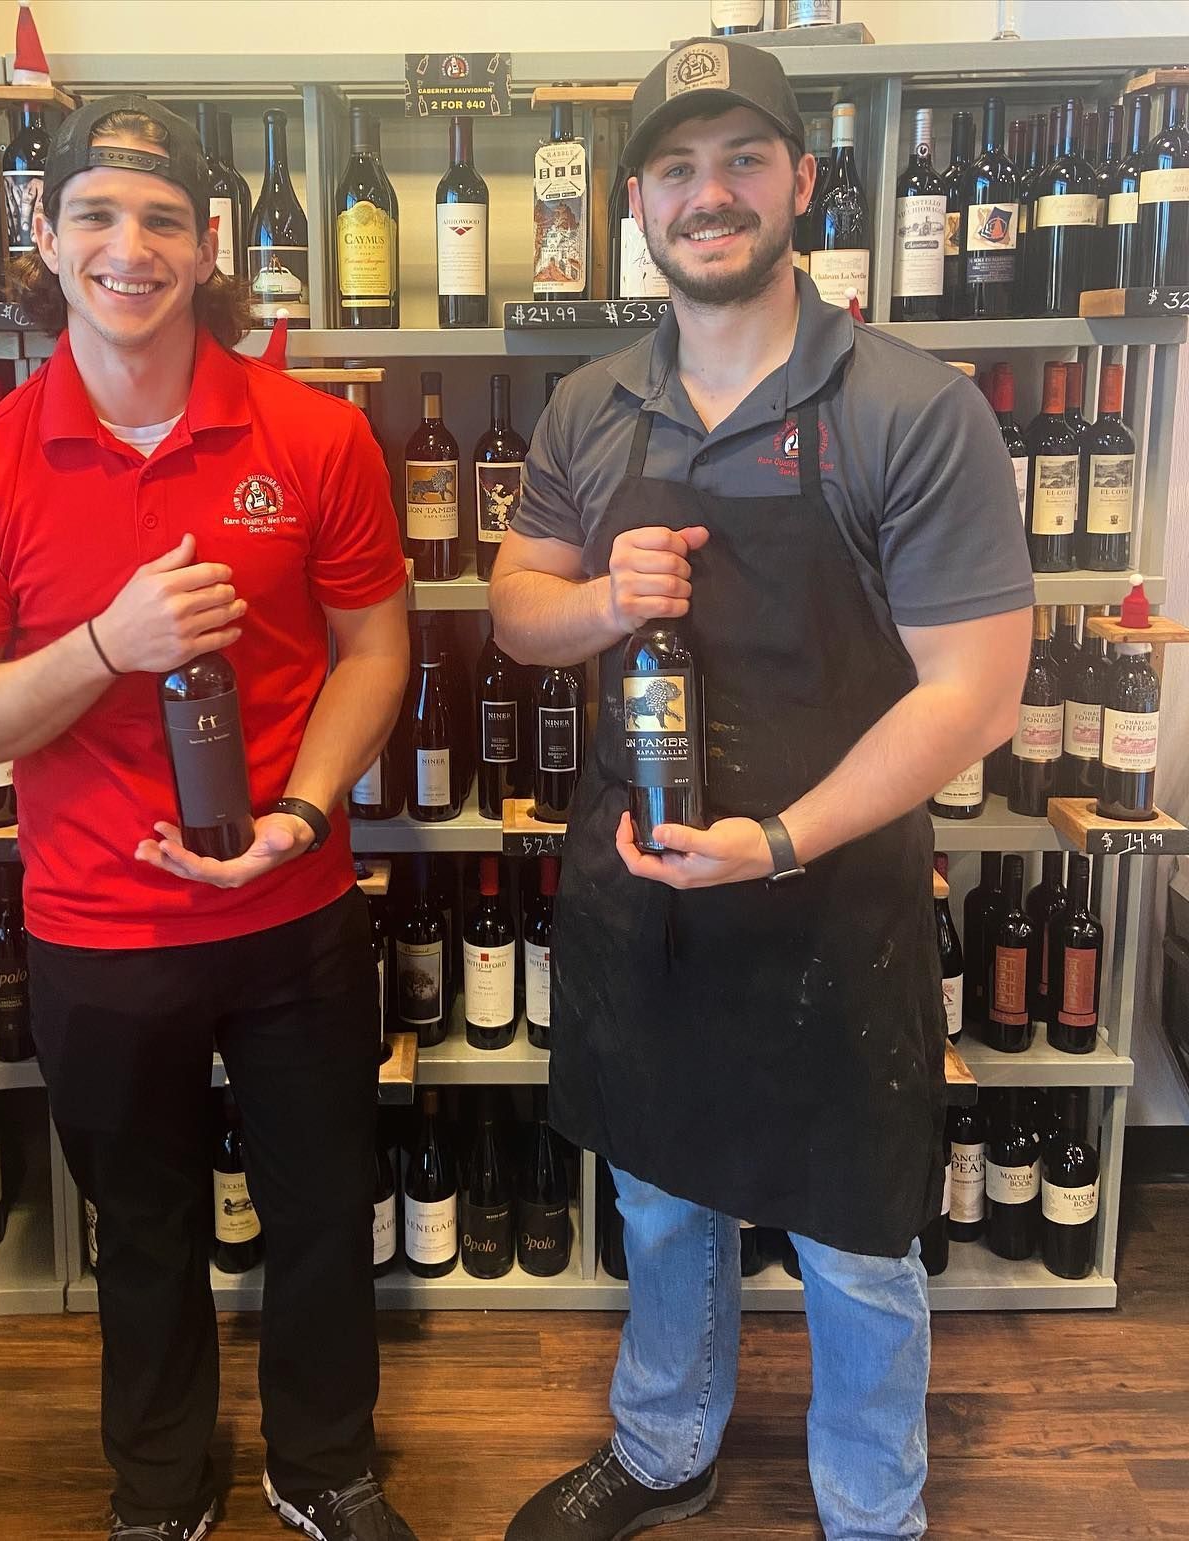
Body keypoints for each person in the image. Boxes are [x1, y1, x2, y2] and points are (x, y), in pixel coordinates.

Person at [490, 39, 1033, 1541]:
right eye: (675, 167)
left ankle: (872, 1511)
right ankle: (665, 1445)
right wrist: (602, 600)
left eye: (741, 159)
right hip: (645, 893)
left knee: (857, 1238)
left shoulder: (911, 409)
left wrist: (781, 838)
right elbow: (516, 609)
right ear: (637, 204)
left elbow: (976, 692)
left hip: (831, 901)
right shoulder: (591, 407)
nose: (708, 194)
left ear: (800, 180)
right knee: (661, 1199)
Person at [0, 96, 415, 1541]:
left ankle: (323, 1464)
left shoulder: (317, 437)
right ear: (45, 235)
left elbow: (376, 652)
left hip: (294, 907)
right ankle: (161, 1487)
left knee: (325, 1210)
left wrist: (302, 811)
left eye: (164, 219)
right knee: (142, 1229)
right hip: (97, 928)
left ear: (208, 244)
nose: (131, 248)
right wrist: (101, 647)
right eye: (99, 216)